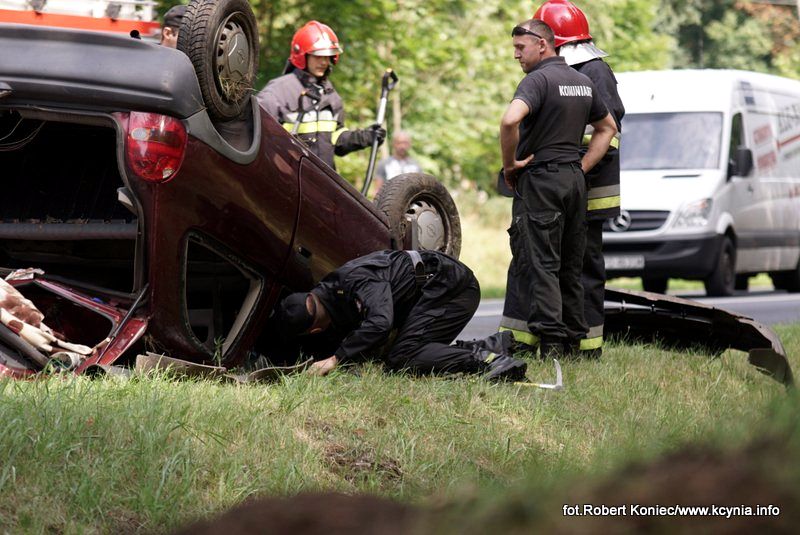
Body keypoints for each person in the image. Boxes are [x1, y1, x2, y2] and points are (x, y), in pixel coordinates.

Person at [498, 19, 617, 359]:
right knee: (570, 265)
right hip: (574, 183)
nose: (516, 55)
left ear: (542, 44)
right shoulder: (582, 81)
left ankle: (551, 344)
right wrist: (581, 167)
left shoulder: (538, 80)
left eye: (520, 48)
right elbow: (608, 127)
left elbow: (509, 120)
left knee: (542, 263)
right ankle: (574, 342)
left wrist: (510, 165)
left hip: (542, 182)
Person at [275, 250, 527, 381]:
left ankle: (487, 360)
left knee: (403, 358)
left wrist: (336, 359)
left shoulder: (354, 281)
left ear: (315, 330)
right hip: (437, 290)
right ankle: (495, 345)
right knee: (397, 357)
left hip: (453, 289)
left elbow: (380, 323)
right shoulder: (330, 290)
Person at [533, 0, 625, 358]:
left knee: (584, 264)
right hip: (565, 185)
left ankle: (587, 345)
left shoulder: (594, 72)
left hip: (589, 186)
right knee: (549, 263)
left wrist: (575, 169)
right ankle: (548, 339)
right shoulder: (558, 73)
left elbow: (605, 133)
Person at [257, 20, 386, 171]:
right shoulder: (278, 92)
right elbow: (256, 134)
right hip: (287, 177)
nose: (324, 62)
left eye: (327, 56)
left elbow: (336, 140)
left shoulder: (330, 95)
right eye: (318, 56)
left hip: (321, 180)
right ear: (303, 56)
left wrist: (364, 137)